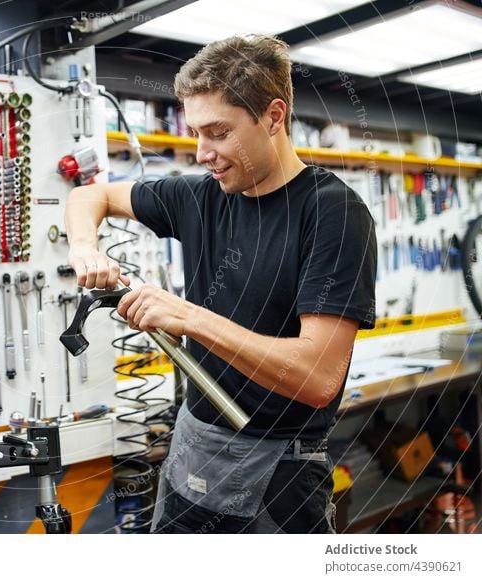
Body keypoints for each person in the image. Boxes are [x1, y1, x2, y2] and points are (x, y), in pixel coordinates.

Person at [64, 35, 376, 533]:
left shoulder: (333, 213)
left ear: (274, 116)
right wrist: (84, 247)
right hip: (193, 444)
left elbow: (318, 379)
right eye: (195, 133)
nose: (203, 153)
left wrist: (189, 317)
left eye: (218, 132)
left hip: (279, 468)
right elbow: (90, 197)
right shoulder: (200, 197)